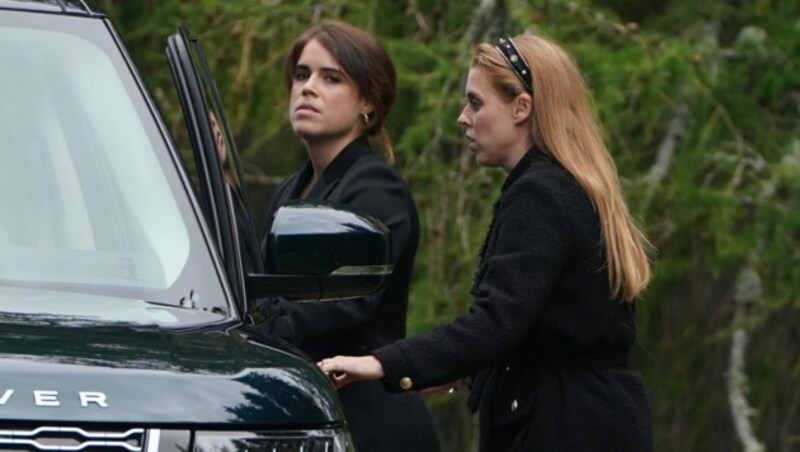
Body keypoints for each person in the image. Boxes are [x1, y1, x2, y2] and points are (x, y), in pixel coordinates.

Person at [319, 33, 654, 451]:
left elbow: (496, 322)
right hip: (590, 420)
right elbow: (549, 327)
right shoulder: (564, 187)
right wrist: (458, 370)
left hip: (562, 428)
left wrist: (381, 362)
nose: (463, 117)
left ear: (521, 108)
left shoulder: (540, 195)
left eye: (476, 102)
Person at [255, 20, 440, 452]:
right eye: (301, 75)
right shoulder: (289, 189)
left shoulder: (377, 188)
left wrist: (262, 326)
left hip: (372, 422)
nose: (307, 88)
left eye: (331, 77)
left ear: (368, 104)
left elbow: (346, 301)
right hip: (310, 411)